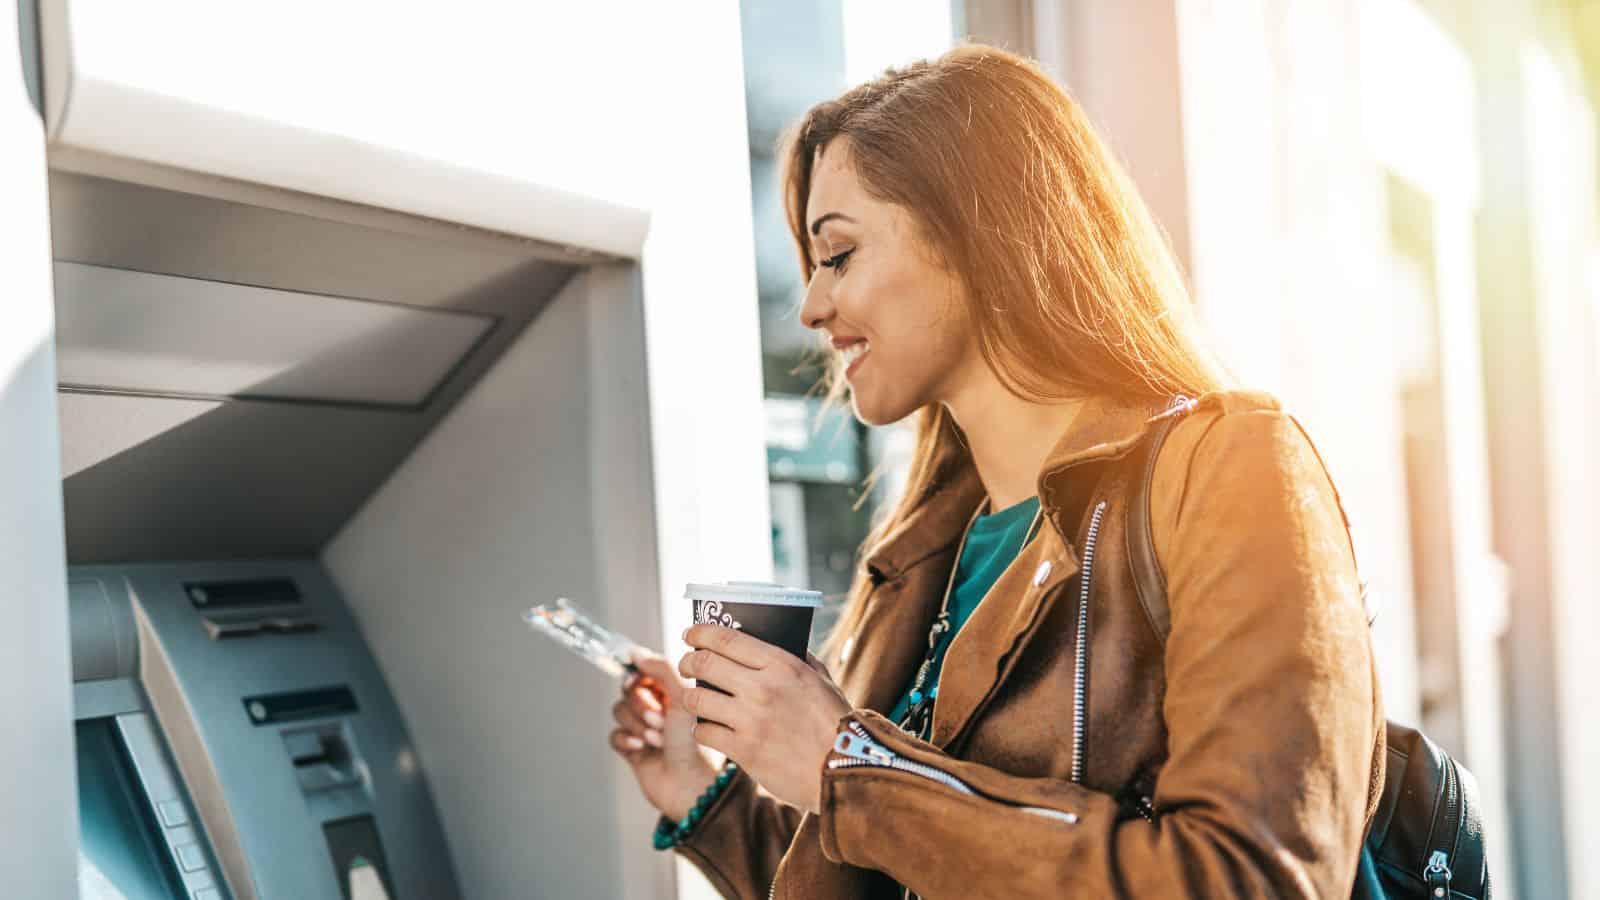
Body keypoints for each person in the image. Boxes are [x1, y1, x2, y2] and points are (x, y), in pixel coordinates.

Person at [608, 43, 1382, 899]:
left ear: (975, 236)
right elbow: (901, 869)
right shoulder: (926, 551)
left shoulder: (1231, 470)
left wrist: (851, 766)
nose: (812, 307)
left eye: (837, 255)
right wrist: (708, 797)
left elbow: (1249, 880)